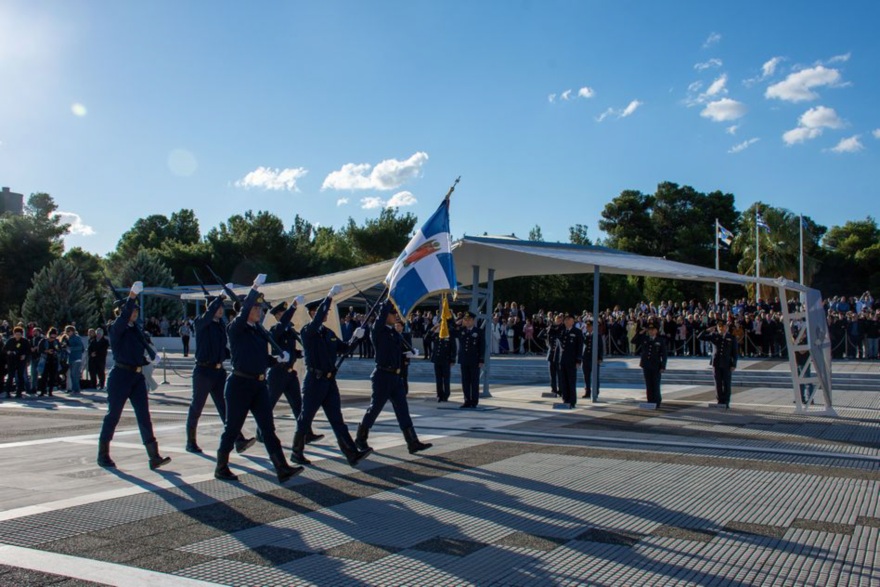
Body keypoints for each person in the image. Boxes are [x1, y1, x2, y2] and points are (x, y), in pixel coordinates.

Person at [213, 275, 302, 484]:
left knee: (268, 428)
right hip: (239, 385)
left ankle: (282, 467)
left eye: (260, 309)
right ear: (246, 309)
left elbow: (261, 359)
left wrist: (278, 359)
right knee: (232, 429)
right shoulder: (235, 328)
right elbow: (243, 315)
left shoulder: (258, 332)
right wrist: (254, 288)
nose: (260, 312)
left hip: (259, 384)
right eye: (256, 308)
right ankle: (221, 466)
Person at [291, 284, 371, 467]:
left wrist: (357, 337)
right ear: (313, 313)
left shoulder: (328, 333)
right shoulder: (307, 332)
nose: (326, 314)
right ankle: (297, 452)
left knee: (337, 419)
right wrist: (328, 298)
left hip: (328, 381)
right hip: (314, 380)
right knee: (306, 418)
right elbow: (318, 319)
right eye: (322, 311)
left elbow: (344, 348)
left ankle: (351, 454)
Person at [97, 281, 172, 470]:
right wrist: (131, 296)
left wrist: (149, 359)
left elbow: (138, 351)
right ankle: (103, 454)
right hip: (121, 376)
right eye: (132, 311)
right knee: (113, 415)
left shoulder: (135, 331)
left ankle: (153, 456)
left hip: (137, 377)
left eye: (137, 311)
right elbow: (122, 320)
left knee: (144, 416)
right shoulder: (116, 329)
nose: (135, 313)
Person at [355, 300, 432, 455]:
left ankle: (412, 442)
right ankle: (360, 438)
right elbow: (382, 316)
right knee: (375, 409)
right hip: (382, 376)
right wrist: (388, 299)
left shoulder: (393, 332)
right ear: (385, 315)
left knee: (403, 410)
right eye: (393, 313)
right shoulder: (378, 330)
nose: (395, 316)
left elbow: (395, 353)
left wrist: (408, 354)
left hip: (396, 377)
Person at [186, 292, 255, 455]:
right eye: (217, 307)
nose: (220, 310)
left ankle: (238, 439)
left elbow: (224, 350)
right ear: (209, 308)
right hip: (203, 371)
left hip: (218, 372)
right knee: (197, 407)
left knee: (226, 408)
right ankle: (191, 442)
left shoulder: (220, 326)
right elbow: (206, 316)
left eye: (221, 307)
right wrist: (218, 299)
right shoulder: (200, 322)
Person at [263, 299, 323, 445]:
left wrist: (299, 353)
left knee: (298, 406)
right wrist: (293, 307)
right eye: (283, 313)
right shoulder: (274, 330)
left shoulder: (289, 331)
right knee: (268, 406)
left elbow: (291, 350)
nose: (286, 316)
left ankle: (306, 433)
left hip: (290, 374)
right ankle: (261, 432)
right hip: (277, 373)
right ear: (277, 316)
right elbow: (278, 336)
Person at [698, 320, 738, 407]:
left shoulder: (731, 337)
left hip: (727, 364)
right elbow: (700, 337)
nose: (721, 329)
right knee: (718, 383)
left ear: (726, 328)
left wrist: (734, 364)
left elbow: (734, 353)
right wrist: (707, 330)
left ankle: (726, 401)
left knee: (727, 383)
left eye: (723, 327)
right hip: (716, 363)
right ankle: (720, 400)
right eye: (719, 327)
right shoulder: (714, 335)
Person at [453, 311, 485, 408]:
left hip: (474, 360)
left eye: (469, 320)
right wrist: (457, 322)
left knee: (474, 381)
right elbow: (451, 330)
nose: (467, 322)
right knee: (465, 381)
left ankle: (474, 401)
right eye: (465, 320)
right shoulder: (461, 330)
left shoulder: (478, 331)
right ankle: (467, 400)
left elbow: (482, 346)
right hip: (464, 359)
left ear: (473, 321)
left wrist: (481, 360)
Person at [635, 319, 667, 406]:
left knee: (655, 384)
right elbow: (634, 341)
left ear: (656, 330)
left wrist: (663, 366)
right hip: (646, 365)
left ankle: (657, 401)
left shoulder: (660, 340)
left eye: (652, 330)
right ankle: (650, 401)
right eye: (649, 330)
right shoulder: (645, 338)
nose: (651, 331)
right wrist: (642, 331)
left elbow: (664, 354)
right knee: (648, 384)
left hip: (656, 365)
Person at [557, 313, 584, 408]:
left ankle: (572, 401)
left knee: (571, 381)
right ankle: (565, 399)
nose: (566, 321)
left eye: (568, 319)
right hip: (562, 360)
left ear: (572, 321)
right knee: (563, 381)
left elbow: (579, 347)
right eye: (565, 320)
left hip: (572, 361)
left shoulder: (577, 332)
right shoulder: (562, 331)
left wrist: (578, 360)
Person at [430, 322, 456, 402]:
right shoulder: (437, 334)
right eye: (440, 325)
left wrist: (452, 359)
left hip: (446, 359)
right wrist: (434, 328)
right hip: (437, 359)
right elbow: (427, 338)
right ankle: (439, 394)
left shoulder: (449, 334)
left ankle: (446, 394)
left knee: (446, 378)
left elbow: (453, 347)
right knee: (438, 378)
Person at [4, 326, 30, 397]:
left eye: (19, 334)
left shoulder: (25, 341)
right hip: (11, 361)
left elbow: (28, 351)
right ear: (14, 334)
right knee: (10, 377)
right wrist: (8, 352)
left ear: (21, 334)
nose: (18, 336)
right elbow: (4, 350)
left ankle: (19, 392)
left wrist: (25, 356)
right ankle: (8, 392)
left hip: (20, 361)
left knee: (20, 376)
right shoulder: (10, 341)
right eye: (16, 334)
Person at [581, 319, 603, 400]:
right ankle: (587, 392)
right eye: (586, 326)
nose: (587, 327)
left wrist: (600, 357)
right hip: (585, 358)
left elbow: (600, 347)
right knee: (586, 376)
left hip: (594, 359)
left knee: (595, 376)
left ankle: (595, 392)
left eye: (589, 326)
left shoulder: (597, 335)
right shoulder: (585, 335)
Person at [37, 328, 62, 397]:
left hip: (54, 360)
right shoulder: (43, 341)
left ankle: (50, 391)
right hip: (45, 360)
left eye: (54, 337)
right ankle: (42, 391)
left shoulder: (56, 342)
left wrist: (55, 351)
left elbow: (59, 350)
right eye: (51, 337)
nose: (52, 338)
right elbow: (39, 350)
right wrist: (46, 351)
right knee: (44, 377)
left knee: (52, 377)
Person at [546, 313, 563, 396]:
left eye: (560, 319)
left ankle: (561, 390)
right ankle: (553, 389)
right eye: (557, 319)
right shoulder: (552, 328)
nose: (558, 321)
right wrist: (552, 326)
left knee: (560, 374)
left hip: (559, 356)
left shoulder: (563, 328)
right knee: (552, 374)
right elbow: (548, 337)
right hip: (551, 354)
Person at [64, 325, 85, 394]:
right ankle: (75, 389)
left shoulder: (76, 338)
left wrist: (70, 348)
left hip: (76, 358)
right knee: (72, 375)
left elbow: (81, 347)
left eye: (68, 331)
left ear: (72, 331)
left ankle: (76, 389)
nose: (67, 332)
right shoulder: (68, 338)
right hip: (70, 358)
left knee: (75, 374)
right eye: (66, 331)